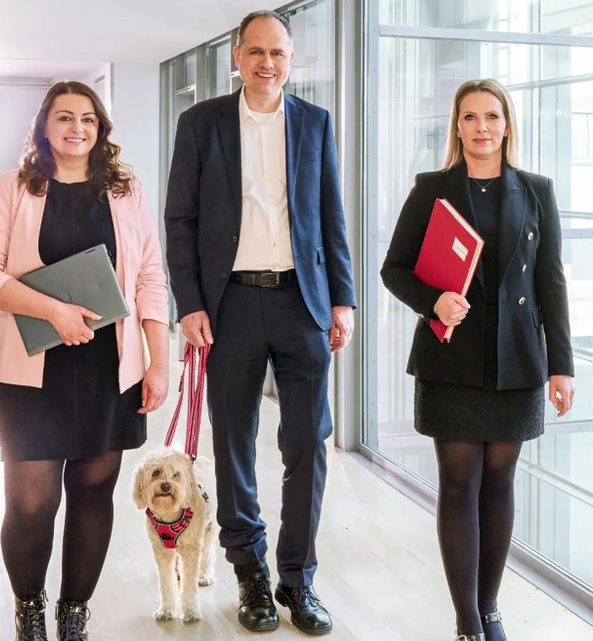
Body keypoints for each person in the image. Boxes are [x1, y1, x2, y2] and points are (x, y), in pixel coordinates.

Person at [164, 9, 356, 636]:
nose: (266, 63)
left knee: (307, 443)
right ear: (236, 57)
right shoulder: (200, 124)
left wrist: (343, 299)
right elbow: (181, 221)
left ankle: (297, 578)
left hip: (303, 302)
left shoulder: (315, 124)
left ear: (290, 60)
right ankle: (248, 570)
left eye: (277, 52)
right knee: (234, 443)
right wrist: (188, 303)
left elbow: (331, 216)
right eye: (255, 52)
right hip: (230, 306)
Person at [0, 81, 169, 641]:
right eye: (64, 117)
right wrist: (53, 310)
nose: (77, 127)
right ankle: (29, 607)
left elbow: (150, 276)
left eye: (88, 119)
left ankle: (74, 612)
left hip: (109, 368)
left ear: (100, 130)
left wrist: (158, 359)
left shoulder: (127, 191)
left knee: (93, 496)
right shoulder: (15, 188)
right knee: (30, 503)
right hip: (33, 370)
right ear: (44, 128)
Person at [381, 78, 575, 641]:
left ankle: (489, 608)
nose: (481, 127)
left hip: (517, 363)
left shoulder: (536, 191)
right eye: (470, 117)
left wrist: (560, 366)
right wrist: (432, 299)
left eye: (491, 116)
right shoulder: (432, 189)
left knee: (500, 481)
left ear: (507, 125)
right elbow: (395, 268)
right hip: (453, 360)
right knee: (459, 482)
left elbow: (551, 283)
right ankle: (466, 619)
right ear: (457, 126)